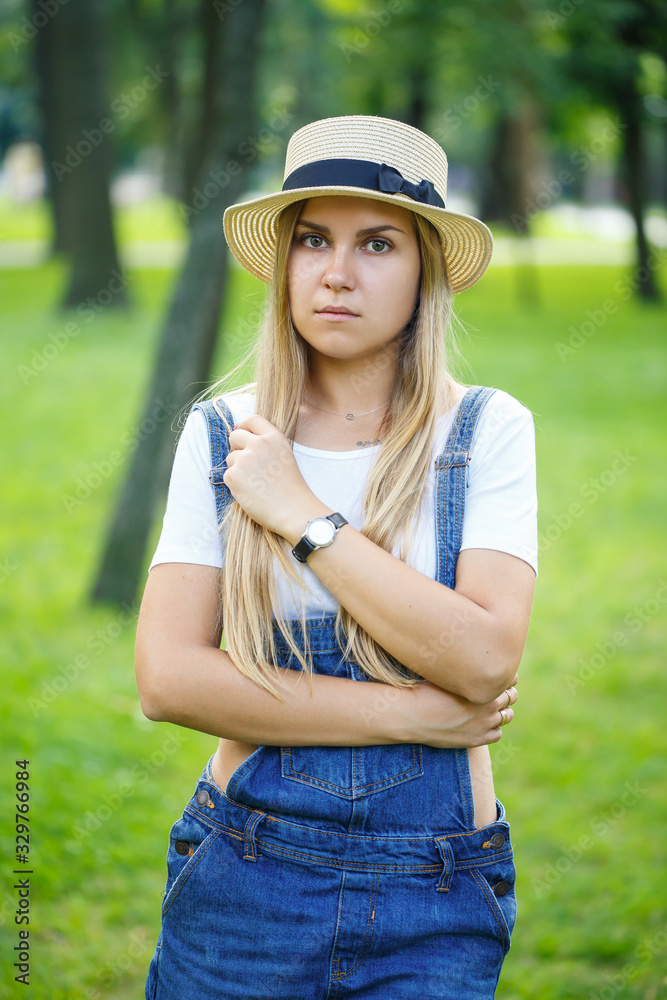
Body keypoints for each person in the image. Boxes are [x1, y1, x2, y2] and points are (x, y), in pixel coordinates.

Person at [135, 114, 537, 1000]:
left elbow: (481, 658)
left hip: (435, 888)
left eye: (377, 244)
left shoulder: (483, 432)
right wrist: (413, 717)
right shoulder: (222, 435)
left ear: (426, 269)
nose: (336, 273)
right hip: (245, 871)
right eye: (312, 240)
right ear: (283, 261)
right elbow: (168, 680)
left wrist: (304, 516)